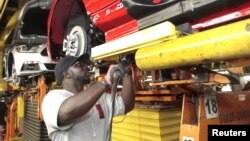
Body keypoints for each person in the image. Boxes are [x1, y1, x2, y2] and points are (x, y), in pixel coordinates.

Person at [42, 54, 135, 141]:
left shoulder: (99, 97)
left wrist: (126, 72)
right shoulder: (52, 98)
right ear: (67, 74)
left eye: (85, 65)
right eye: (79, 65)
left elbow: (126, 104)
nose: (86, 67)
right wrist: (105, 82)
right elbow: (67, 112)